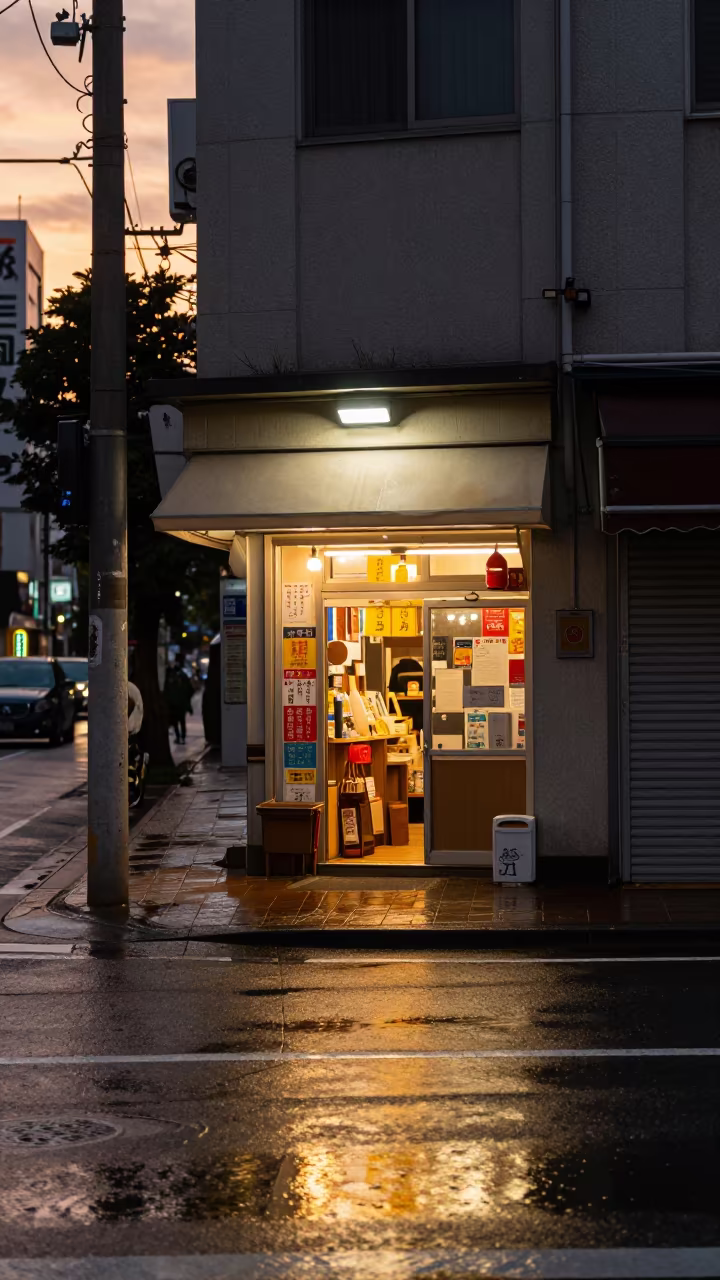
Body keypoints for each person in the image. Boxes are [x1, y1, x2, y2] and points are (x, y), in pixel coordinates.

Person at [164, 658, 193, 744]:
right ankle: (182, 737)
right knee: (181, 721)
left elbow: (167, 691)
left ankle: (178, 737)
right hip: (181, 704)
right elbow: (190, 690)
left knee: (176, 722)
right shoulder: (183, 676)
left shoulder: (171, 676)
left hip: (175, 704)